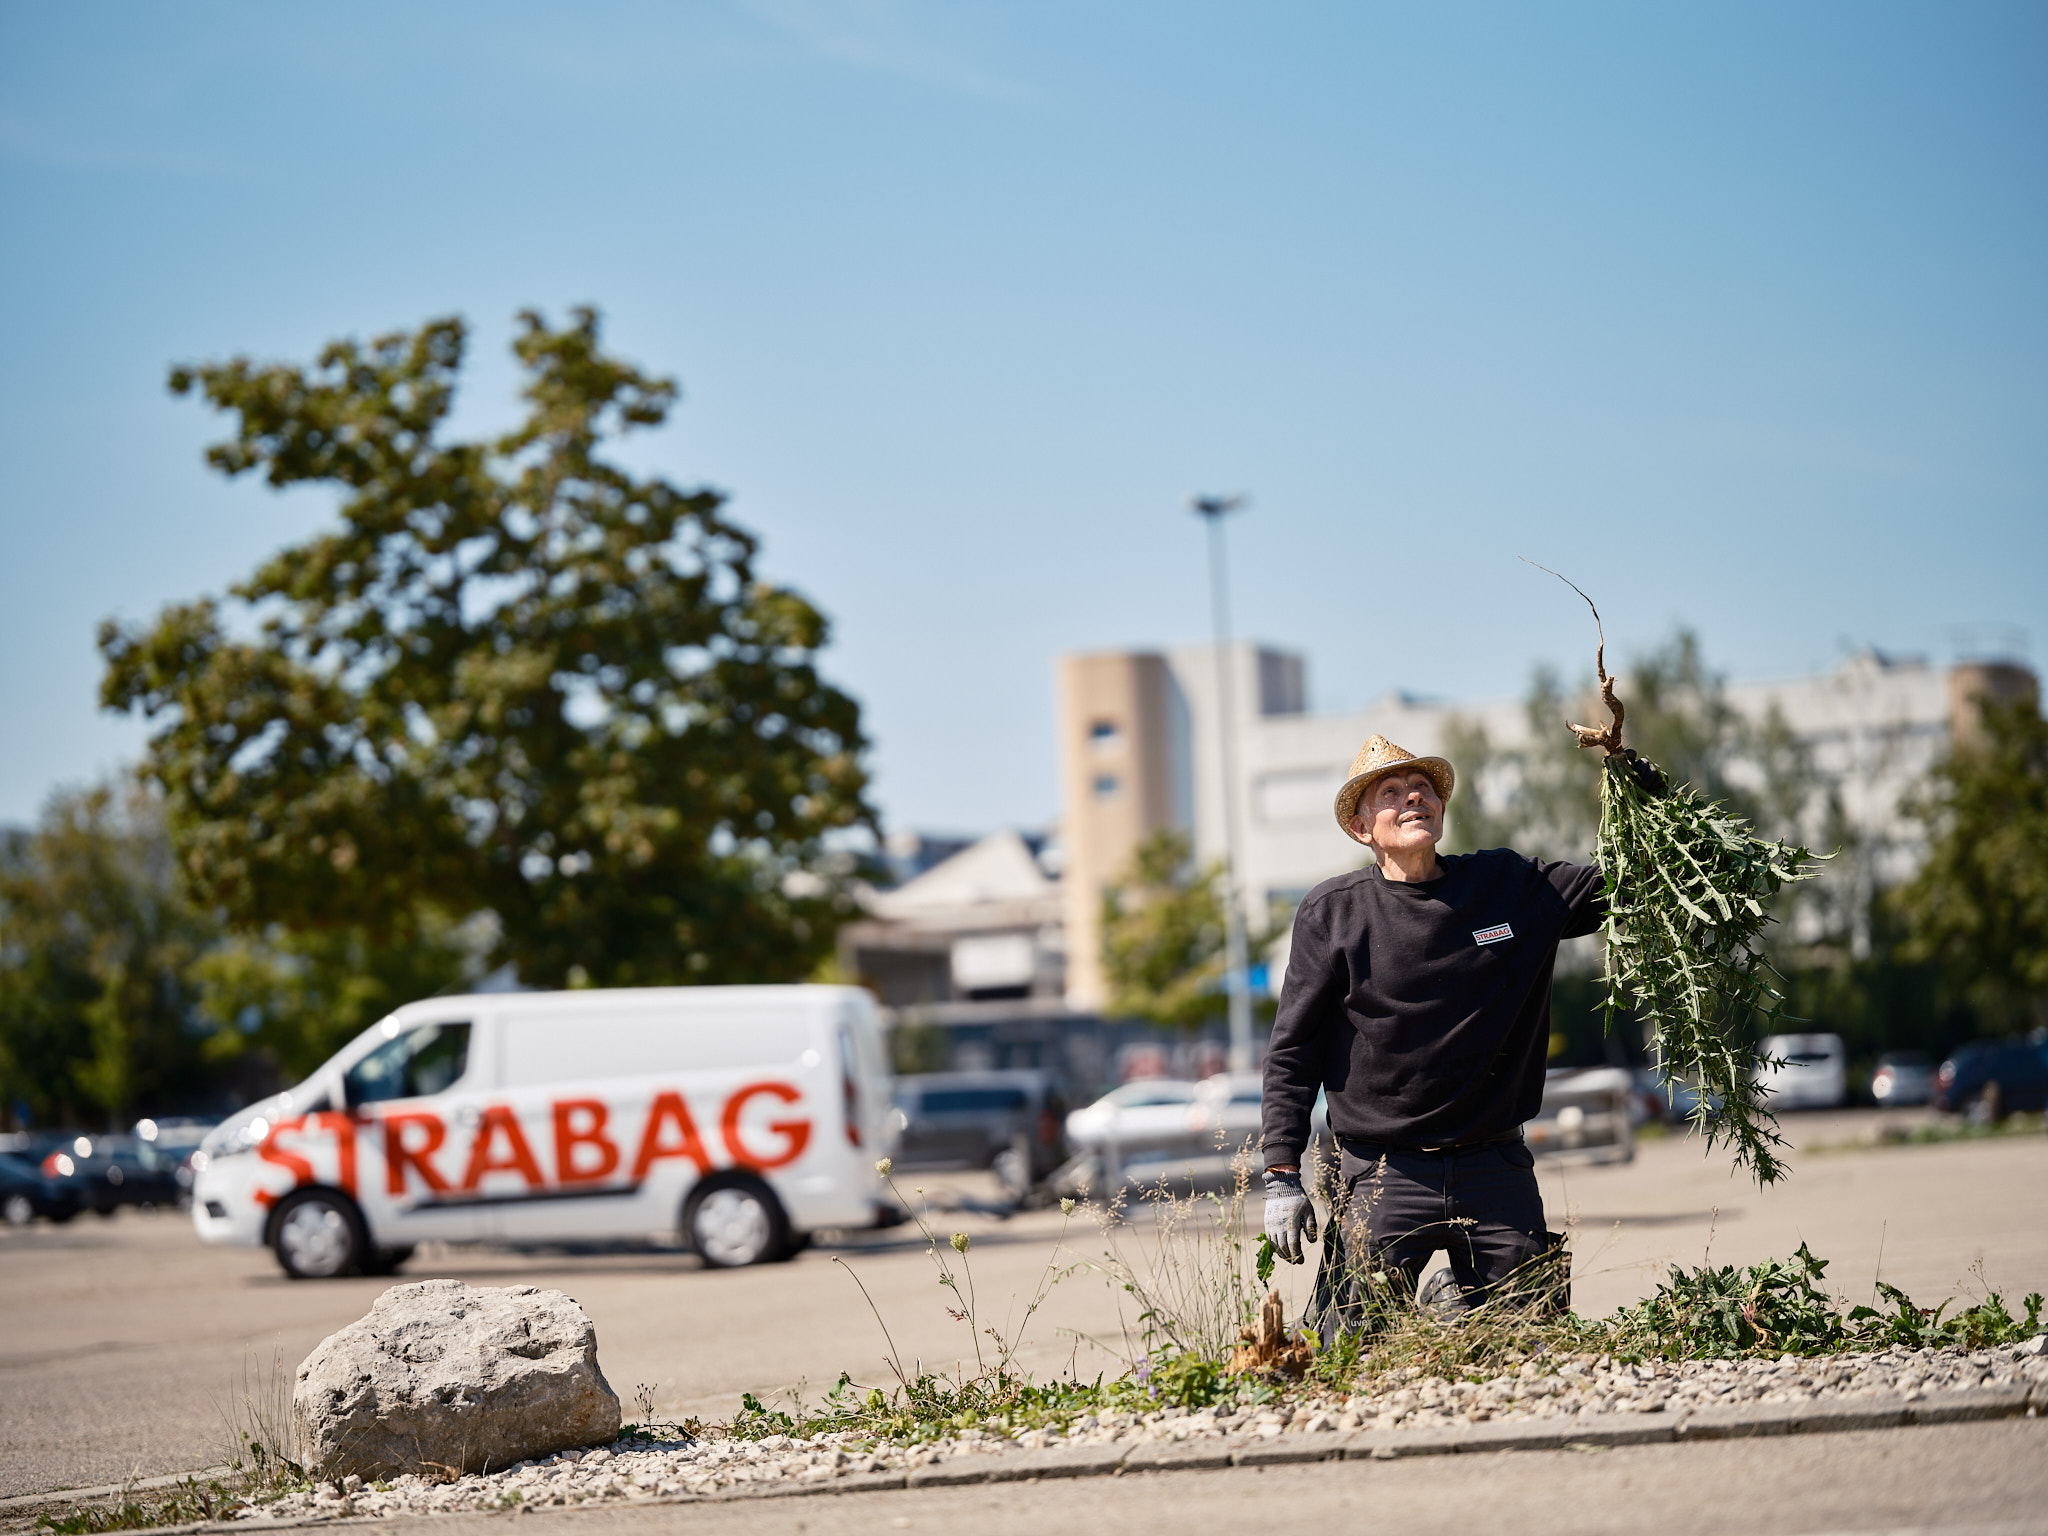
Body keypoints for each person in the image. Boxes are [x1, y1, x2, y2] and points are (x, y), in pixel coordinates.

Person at [1259, 733, 1629, 1328]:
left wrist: (1633, 784)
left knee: (1532, 1339)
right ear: (1361, 829)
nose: (1412, 798)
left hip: (1494, 1166)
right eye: (1390, 792)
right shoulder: (1333, 913)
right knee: (1347, 1351)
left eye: (1422, 788)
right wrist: (1281, 1174)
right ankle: (1447, 1306)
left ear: (1441, 809)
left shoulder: (1505, 888)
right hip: (1382, 1173)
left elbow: (1627, 886)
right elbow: (1292, 1051)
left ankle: (1452, 1307)